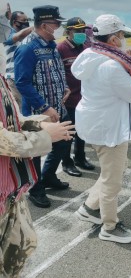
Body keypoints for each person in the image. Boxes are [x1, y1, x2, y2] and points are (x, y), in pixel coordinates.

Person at [72, 14, 131, 244]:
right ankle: (110, 226)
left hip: (95, 122)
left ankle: (90, 208)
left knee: (111, 170)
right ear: (115, 39)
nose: (124, 38)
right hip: (109, 128)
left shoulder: (90, 54)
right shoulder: (112, 65)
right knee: (113, 180)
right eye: (122, 35)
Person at [0, 73, 75, 278]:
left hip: (10, 190)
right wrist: (44, 137)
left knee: (20, 249)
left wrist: (40, 124)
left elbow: (11, 120)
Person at [14, 5, 72, 208]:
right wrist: (45, 107)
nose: (58, 27)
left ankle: (48, 178)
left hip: (58, 106)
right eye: (56, 23)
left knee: (63, 142)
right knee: (37, 151)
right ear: (46, 24)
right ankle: (35, 189)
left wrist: (64, 87)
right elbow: (22, 82)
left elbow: (57, 70)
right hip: (39, 112)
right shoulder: (27, 47)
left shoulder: (51, 45)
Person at [57, 17, 95, 175]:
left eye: (83, 30)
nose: (81, 34)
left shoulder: (85, 47)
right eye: (77, 31)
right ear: (68, 31)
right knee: (68, 134)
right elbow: (58, 75)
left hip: (84, 99)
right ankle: (67, 163)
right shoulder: (61, 48)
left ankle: (80, 157)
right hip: (69, 100)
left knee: (82, 132)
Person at [3, 11, 33, 107]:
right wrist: (35, 27)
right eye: (24, 20)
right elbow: (18, 36)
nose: (26, 22)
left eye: (27, 20)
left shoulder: (27, 36)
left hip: (25, 77)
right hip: (14, 77)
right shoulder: (7, 34)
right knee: (21, 108)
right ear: (15, 22)